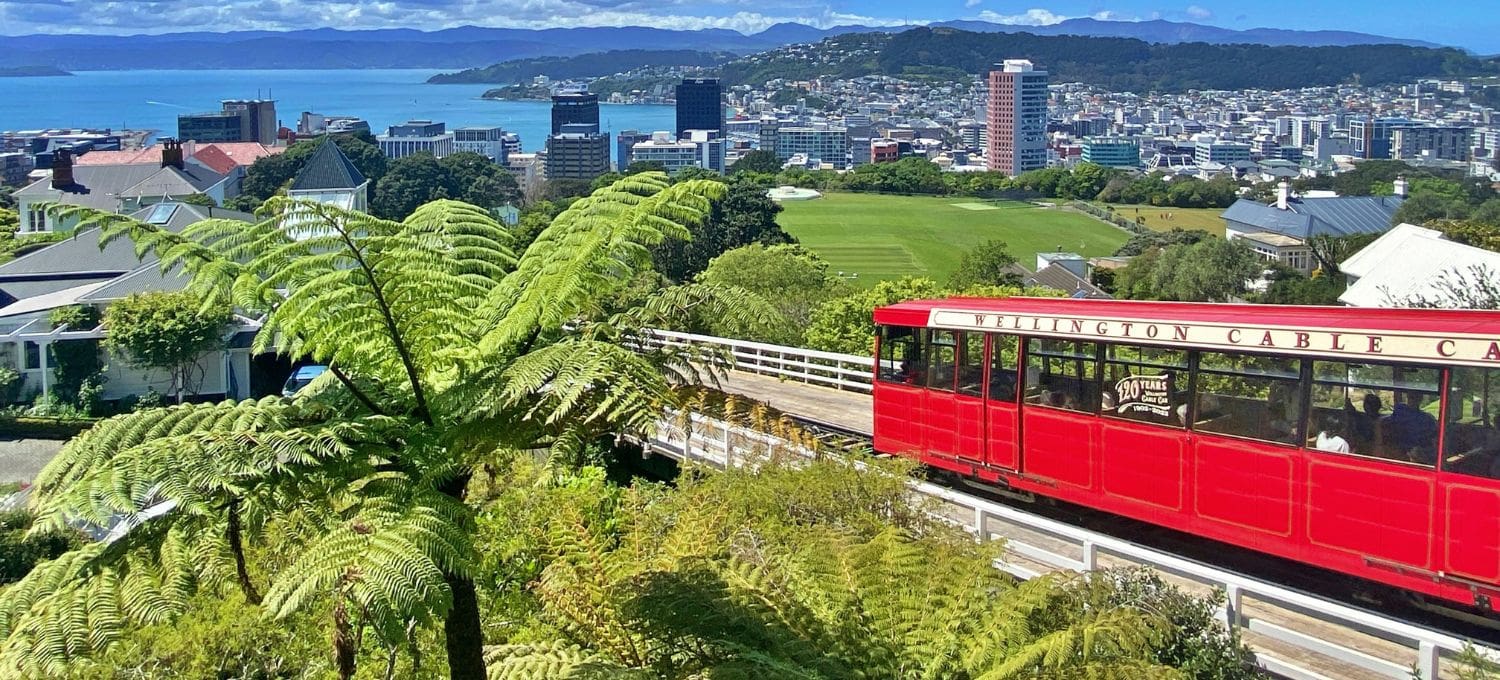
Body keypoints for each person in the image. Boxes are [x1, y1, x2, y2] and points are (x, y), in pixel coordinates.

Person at [1385, 392, 1438, 464]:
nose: (1413, 400)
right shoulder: (1400, 411)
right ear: (1408, 397)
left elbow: (1434, 439)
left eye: (1416, 398)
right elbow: (1390, 429)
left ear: (1420, 399)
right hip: (1399, 448)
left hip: (1418, 451)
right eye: (1411, 397)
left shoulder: (1427, 419)